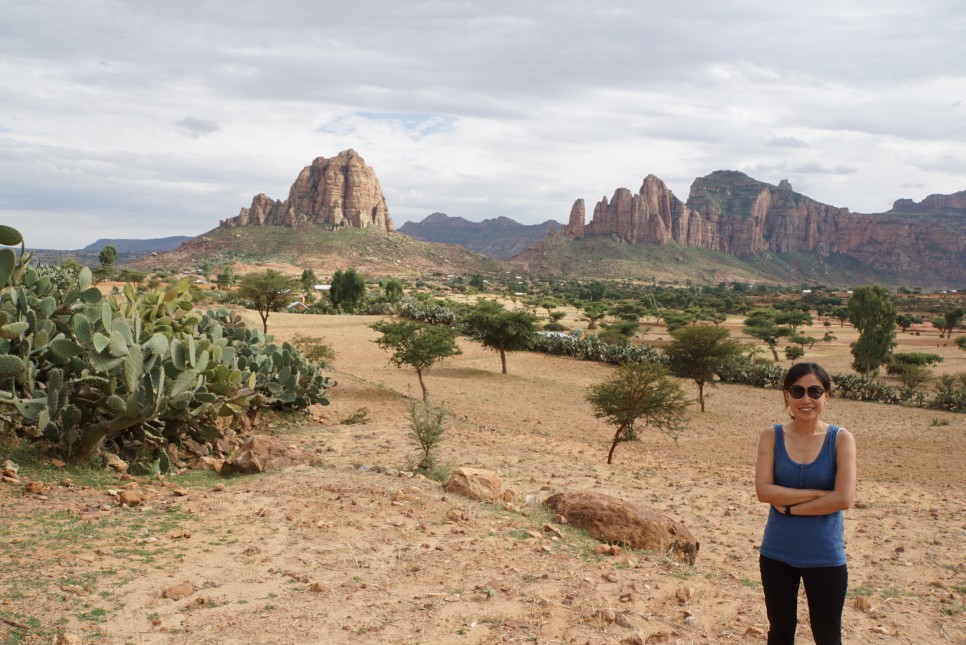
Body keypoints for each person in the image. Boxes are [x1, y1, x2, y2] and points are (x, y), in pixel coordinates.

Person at [755, 362, 856, 644]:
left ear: (827, 396)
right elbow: (764, 491)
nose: (806, 399)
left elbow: (844, 499)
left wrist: (788, 507)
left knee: (827, 635)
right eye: (797, 391)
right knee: (780, 632)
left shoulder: (841, 439)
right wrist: (818, 493)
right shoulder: (771, 435)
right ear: (786, 395)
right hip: (777, 553)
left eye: (815, 391)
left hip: (825, 555)